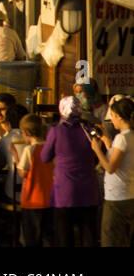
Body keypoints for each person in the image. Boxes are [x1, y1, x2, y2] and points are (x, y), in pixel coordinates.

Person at [42, 95, 101, 248]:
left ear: (62, 110)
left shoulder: (56, 131)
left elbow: (44, 157)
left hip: (65, 192)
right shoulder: (88, 130)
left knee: (64, 236)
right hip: (89, 190)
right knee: (89, 235)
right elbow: (97, 154)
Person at [91, 95, 134, 246]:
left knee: (111, 240)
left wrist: (97, 150)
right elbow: (119, 157)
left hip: (117, 199)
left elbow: (110, 167)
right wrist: (105, 140)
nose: (112, 120)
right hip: (129, 195)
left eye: (113, 117)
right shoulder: (130, 137)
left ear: (118, 116)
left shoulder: (122, 138)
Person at [16, 112, 54, 246]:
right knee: (47, 237)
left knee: (31, 238)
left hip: (32, 199)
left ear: (24, 132)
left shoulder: (29, 149)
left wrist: (15, 155)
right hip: (49, 198)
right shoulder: (49, 148)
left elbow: (22, 172)